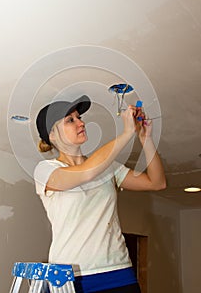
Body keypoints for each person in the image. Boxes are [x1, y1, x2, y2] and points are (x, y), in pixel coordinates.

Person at [33, 94, 166, 293]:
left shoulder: (107, 167)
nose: (80, 122)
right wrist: (126, 132)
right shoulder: (45, 170)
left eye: (79, 117)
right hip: (72, 276)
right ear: (52, 135)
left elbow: (157, 183)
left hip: (119, 271)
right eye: (70, 120)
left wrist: (146, 140)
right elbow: (86, 173)